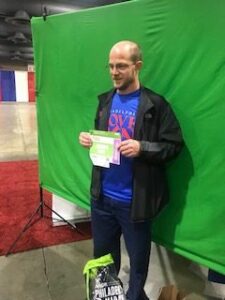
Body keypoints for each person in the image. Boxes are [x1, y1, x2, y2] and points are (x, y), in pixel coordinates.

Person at [79, 40, 183, 300]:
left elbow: (174, 145)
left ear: (138, 66)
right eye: (111, 66)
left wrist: (142, 147)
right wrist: (91, 142)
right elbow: (104, 143)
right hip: (102, 199)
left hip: (135, 204)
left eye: (121, 66)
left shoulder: (155, 105)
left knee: (138, 266)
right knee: (103, 262)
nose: (114, 72)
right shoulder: (104, 101)